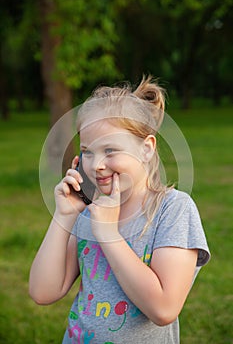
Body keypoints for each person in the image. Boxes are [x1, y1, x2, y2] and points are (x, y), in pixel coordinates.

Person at [29, 76, 210, 344]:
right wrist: (63, 216)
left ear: (146, 149)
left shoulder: (173, 210)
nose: (96, 164)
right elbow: (43, 292)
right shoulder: (88, 212)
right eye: (87, 151)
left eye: (110, 150)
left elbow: (164, 309)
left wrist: (109, 234)